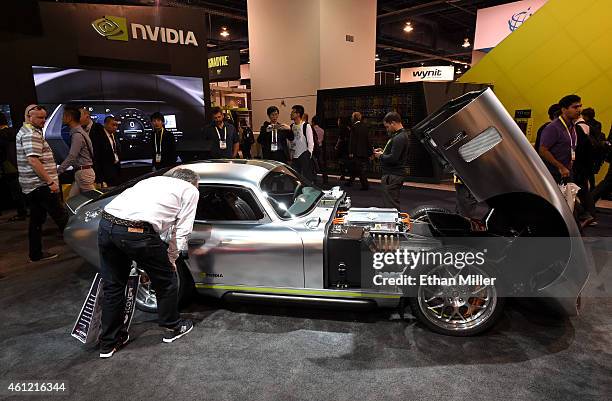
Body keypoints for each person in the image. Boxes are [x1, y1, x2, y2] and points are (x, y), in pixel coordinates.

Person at [98, 168, 199, 358]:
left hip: (106, 224)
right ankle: (172, 327)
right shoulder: (190, 190)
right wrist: (171, 258)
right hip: (135, 232)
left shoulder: (153, 181)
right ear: (194, 183)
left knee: (113, 286)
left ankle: (108, 344)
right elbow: (183, 229)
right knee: (167, 279)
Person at [16, 104, 68, 262]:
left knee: (36, 221)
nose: (43, 120)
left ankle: (35, 254)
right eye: (39, 117)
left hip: (32, 185)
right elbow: (33, 160)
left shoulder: (25, 131)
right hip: (41, 186)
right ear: (28, 116)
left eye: (44, 117)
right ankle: (86, 247)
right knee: (62, 219)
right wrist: (50, 181)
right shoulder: (31, 133)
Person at [539, 95, 581, 184]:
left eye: (580, 106)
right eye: (575, 107)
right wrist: (560, 167)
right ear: (564, 109)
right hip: (553, 173)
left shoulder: (573, 126)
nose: (579, 110)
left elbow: (572, 146)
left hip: (568, 170)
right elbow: (543, 150)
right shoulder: (553, 127)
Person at [57, 107, 96, 198]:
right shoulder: (80, 132)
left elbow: (72, 156)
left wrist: (59, 171)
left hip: (83, 173)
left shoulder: (77, 135)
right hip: (82, 172)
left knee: (94, 201)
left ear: (70, 117)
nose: (62, 118)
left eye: (64, 116)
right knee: (71, 200)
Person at [373, 112, 409, 210]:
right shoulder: (399, 135)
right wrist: (383, 152)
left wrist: (380, 156)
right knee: (390, 204)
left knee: (391, 206)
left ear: (393, 123)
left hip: (393, 175)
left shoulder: (399, 137)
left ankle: (395, 224)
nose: (387, 129)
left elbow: (393, 158)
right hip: (393, 175)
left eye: (387, 126)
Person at [0, 112, 27, 220]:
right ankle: (27, 210)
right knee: (24, 189)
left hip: (8, 166)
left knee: (15, 191)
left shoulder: (1, 135)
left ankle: (22, 212)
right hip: (21, 163)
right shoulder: (17, 131)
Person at [90, 116, 121, 187]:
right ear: (105, 124)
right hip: (105, 171)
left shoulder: (114, 135)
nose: (115, 127)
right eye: (113, 125)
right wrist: (100, 178)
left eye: (117, 125)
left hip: (116, 168)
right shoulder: (99, 137)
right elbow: (97, 157)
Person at [347, 112, 372, 190]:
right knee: (357, 167)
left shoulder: (353, 127)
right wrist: (370, 151)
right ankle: (350, 181)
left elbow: (352, 141)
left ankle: (365, 185)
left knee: (359, 169)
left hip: (356, 152)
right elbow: (368, 140)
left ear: (354, 118)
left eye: (352, 117)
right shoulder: (365, 126)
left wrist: (350, 152)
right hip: (364, 151)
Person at [290, 105, 315, 181]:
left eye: (293, 112)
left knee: (305, 178)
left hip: (303, 155)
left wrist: (308, 154)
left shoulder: (306, 126)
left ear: (298, 114)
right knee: (295, 179)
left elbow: (311, 142)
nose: (290, 114)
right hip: (294, 156)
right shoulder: (292, 126)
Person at [312, 115, 328, 184]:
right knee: (321, 164)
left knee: (312, 164)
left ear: (313, 122)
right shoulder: (322, 130)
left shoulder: (311, 129)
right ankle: (325, 179)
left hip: (313, 148)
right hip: (320, 148)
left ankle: (314, 179)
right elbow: (322, 140)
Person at [335, 117, 351, 182]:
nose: (337, 122)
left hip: (342, 147)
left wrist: (336, 146)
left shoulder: (341, 128)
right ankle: (347, 174)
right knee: (346, 160)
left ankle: (343, 175)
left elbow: (340, 138)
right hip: (347, 146)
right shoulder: (348, 128)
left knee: (341, 161)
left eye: (338, 120)